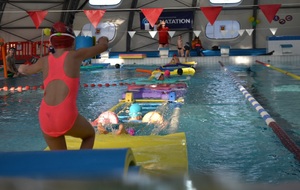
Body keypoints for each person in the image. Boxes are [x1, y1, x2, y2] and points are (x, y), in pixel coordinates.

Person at [18, 22, 109, 150]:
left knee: (61, 161)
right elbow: (103, 47)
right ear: (72, 42)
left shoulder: (44, 61)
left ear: (52, 43)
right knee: (89, 135)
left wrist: (21, 68)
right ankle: (81, 167)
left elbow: (25, 70)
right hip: (65, 115)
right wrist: (103, 40)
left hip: (45, 117)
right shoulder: (76, 55)